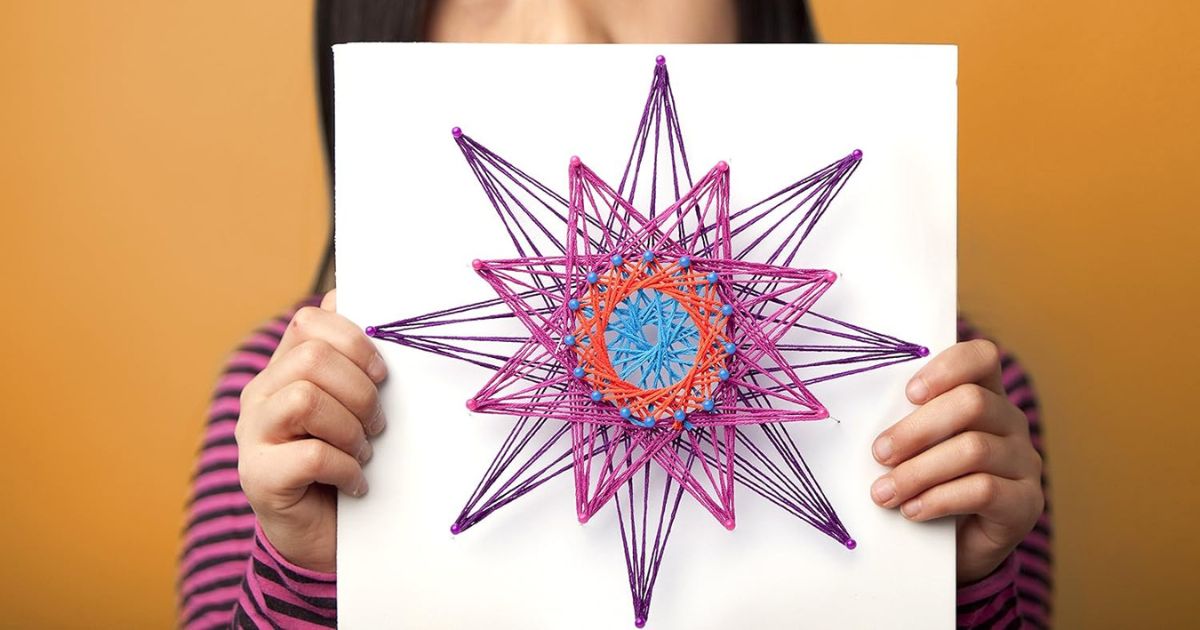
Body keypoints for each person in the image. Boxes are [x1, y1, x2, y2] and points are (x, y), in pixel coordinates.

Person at [178, 1, 1052, 627]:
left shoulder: (961, 403)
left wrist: (962, 585)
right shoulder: (291, 408)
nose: (566, 32)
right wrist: (308, 573)